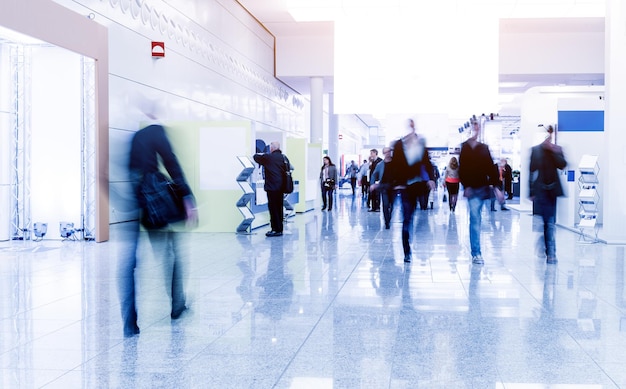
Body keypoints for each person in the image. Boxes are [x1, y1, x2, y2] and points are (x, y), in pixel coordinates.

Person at [127, 120, 199, 336]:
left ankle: (131, 318)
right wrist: (187, 197)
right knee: (173, 254)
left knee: (143, 261)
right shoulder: (156, 132)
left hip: (144, 206)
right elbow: (171, 162)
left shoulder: (135, 137)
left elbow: (131, 171)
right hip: (160, 204)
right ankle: (177, 304)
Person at [385, 119, 436, 262]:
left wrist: (431, 179)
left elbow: (427, 163)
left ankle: (409, 243)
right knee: (407, 219)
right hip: (403, 186)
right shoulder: (399, 145)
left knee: (410, 217)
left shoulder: (420, 146)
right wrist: (394, 183)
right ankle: (407, 251)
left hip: (416, 185)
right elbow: (394, 167)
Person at [459, 120, 502, 265]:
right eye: (474, 127)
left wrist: (496, 187)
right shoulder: (465, 147)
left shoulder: (484, 148)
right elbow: (462, 168)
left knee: (479, 219)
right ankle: (476, 253)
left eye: (477, 127)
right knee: (475, 219)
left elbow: (491, 167)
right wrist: (466, 186)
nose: (476, 130)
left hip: (483, 187)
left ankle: (477, 252)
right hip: (473, 189)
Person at [529, 125, 567, 264]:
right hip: (541, 190)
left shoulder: (556, 149)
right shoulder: (536, 150)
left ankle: (548, 248)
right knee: (547, 221)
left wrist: (554, 151)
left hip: (553, 190)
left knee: (550, 221)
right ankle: (551, 251)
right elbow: (531, 170)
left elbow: (562, 165)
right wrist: (531, 191)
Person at [254, 141, 289, 237]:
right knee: (279, 208)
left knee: (273, 208)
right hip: (281, 187)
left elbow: (256, 157)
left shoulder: (268, 157)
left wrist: (262, 154)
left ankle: (275, 229)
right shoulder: (284, 157)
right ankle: (279, 229)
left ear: (271, 148)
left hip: (272, 187)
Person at [370, 146, 394, 229]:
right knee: (385, 204)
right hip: (384, 187)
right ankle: (387, 222)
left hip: (394, 187)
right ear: (383, 153)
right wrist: (372, 184)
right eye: (386, 152)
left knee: (392, 205)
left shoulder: (396, 164)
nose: (388, 153)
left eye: (389, 151)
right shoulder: (380, 165)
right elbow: (374, 175)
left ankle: (389, 218)